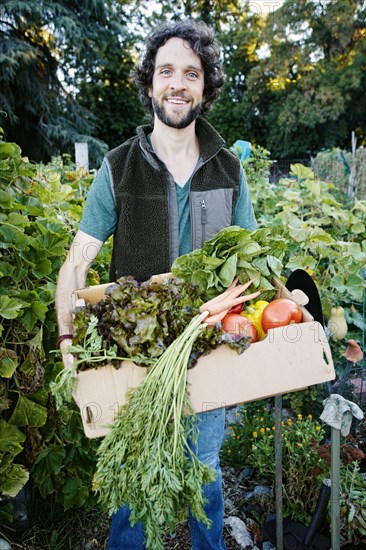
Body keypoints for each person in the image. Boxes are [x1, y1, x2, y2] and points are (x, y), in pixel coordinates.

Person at [55, 18, 257, 550]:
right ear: (150, 84)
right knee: (134, 484)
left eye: (191, 73)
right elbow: (77, 264)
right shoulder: (119, 167)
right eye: (166, 71)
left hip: (208, 348)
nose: (177, 83)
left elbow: (253, 268)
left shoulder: (229, 170)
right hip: (137, 353)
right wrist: (67, 340)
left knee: (205, 473)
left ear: (206, 87)